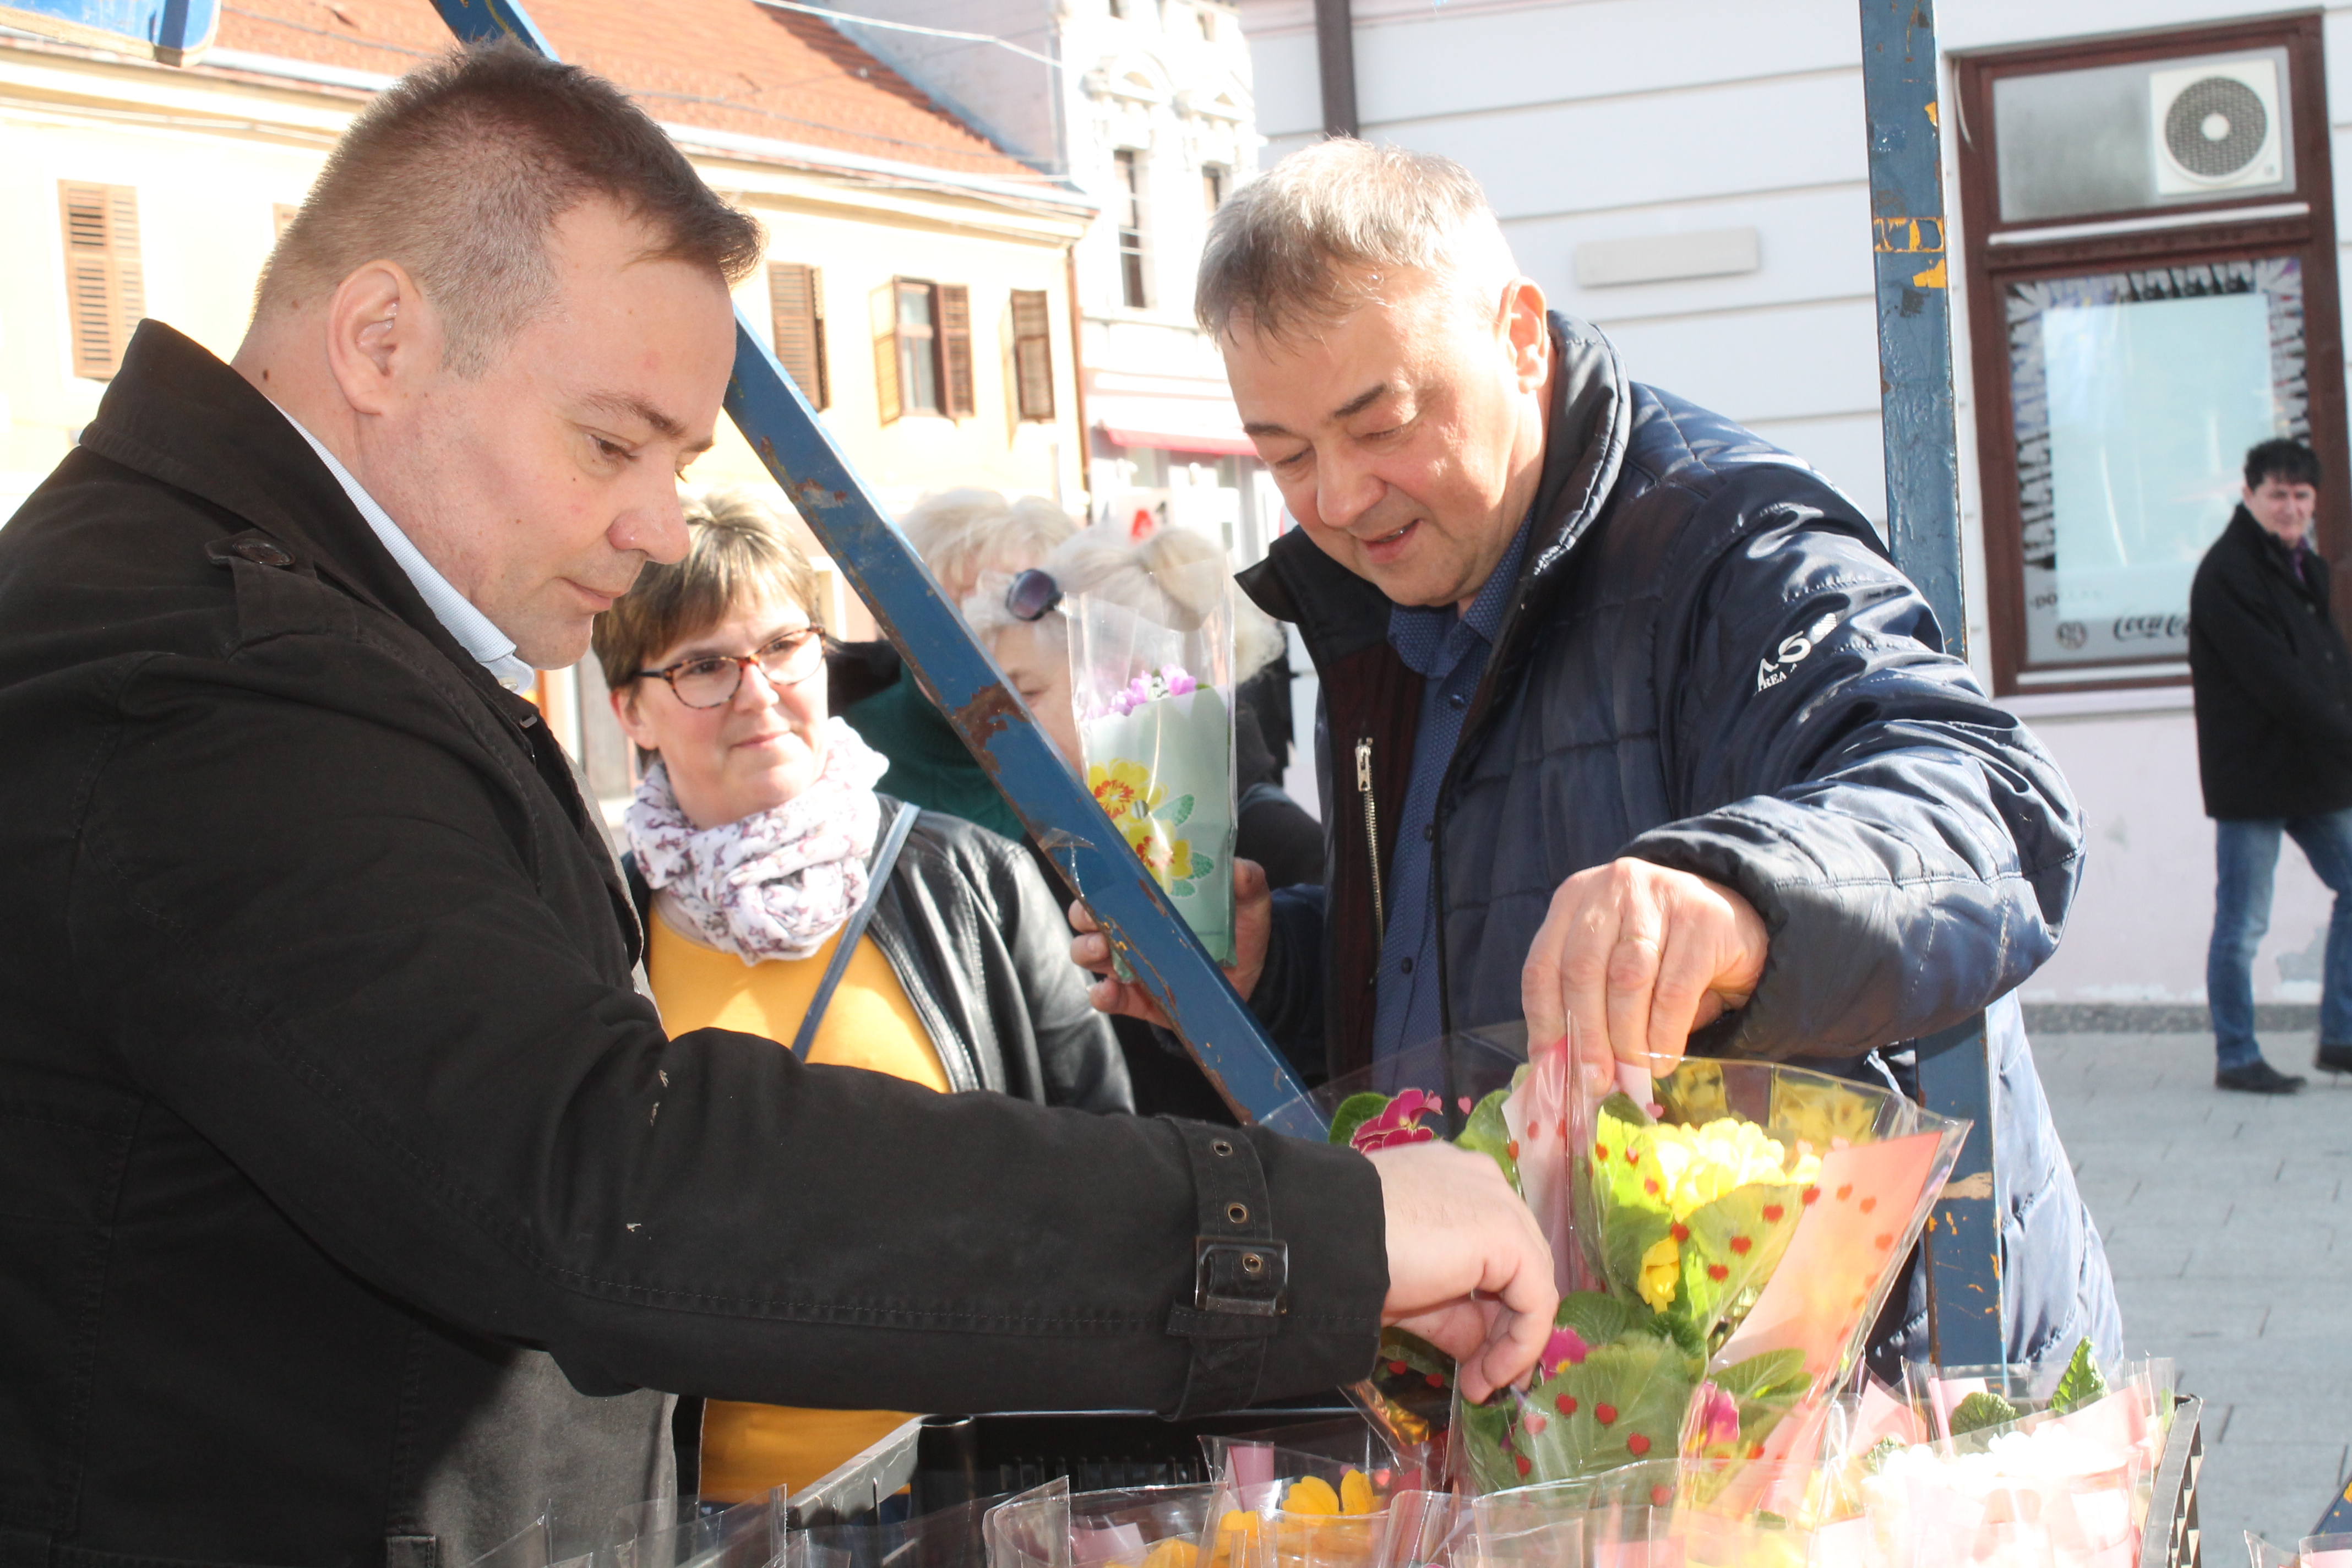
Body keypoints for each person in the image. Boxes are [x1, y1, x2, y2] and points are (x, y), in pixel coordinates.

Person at [0, 50, 1555, 1565]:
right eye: (611, 441)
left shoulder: (269, 624)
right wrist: (1312, 1242)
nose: (653, 522)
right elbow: (609, 1180)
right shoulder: (208, 678)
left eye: (676, 457)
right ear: (382, 340)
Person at [1075, 138, 2120, 1374]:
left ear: (1521, 335)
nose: (1344, 496)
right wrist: (1282, 967)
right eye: (1288, 455)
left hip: (1841, 1392)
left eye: (1384, 424)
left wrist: (1732, 892)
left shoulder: (1730, 540)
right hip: (1583, 1380)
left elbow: (1989, 804)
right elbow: (1459, 961)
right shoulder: (1380, 596)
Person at [596, 487, 1133, 1499]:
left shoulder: (974, 883)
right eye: (706, 665)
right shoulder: (598, 928)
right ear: (631, 706)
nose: (758, 691)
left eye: (785, 646)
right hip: (695, 1522)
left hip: (967, 1500)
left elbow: (1105, 1185)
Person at [965, 523, 1327, 894]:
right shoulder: (1053, 845)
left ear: (1125, 680)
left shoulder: (1281, 851)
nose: (998, 723)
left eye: (1027, 694)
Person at [2188, 437, 2352, 1093]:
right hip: (2254, 776)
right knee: (2243, 924)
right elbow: (2278, 680)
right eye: (2279, 493)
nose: (2291, 506)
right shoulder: (2229, 571)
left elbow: (2328, 664)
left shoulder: (2301, 564)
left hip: (2311, 770)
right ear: (2250, 493)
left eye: (2302, 495)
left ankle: (2341, 1036)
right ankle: (2236, 1056)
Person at [837, 487, 1076, 842]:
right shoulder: (841, 749)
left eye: (1022, 604)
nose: (982, 634)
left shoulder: (1093, 748)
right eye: (951, 608)